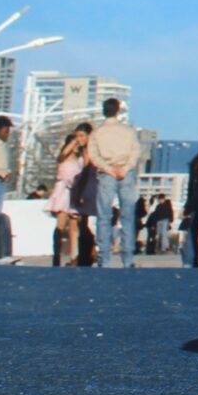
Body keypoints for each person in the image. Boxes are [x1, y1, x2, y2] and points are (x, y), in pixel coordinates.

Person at [86, 96, 140, 270]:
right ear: (117, 111)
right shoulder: (129, 131)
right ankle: (128, 258)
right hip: (126, 173)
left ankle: (104, 259)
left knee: (104, 217)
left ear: (104, 111)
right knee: (127, 217)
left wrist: (108, 169)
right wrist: (125, 168)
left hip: (106, 175)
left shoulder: (97, 133)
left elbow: (93, 155)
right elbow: (135, 152)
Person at [47, 123, 93, 267]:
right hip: (64, 191)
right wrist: (73, 142)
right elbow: (61, 157)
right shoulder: (65, 158)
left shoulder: (80, 159)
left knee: (74, 225)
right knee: (60, 225)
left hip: (75, 192)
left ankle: (75, 255)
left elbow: (86, 169)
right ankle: (57, 255)